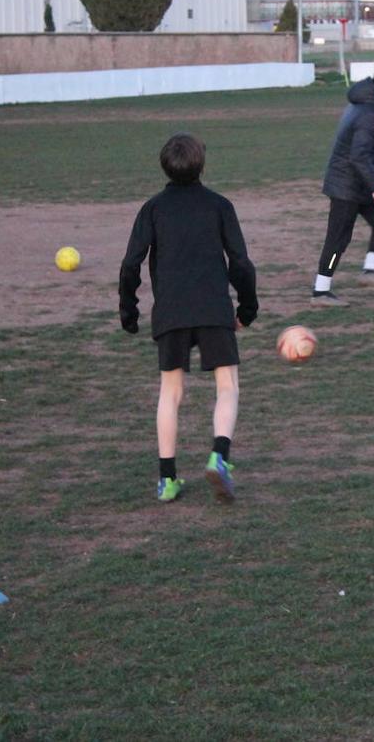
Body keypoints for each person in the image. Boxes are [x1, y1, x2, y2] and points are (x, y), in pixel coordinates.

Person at [119, 133, 259, 504]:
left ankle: (167, 479)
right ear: (202, 165)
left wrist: (128, 311)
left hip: (171, 310)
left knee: (171, 392)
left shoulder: (153, 209)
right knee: (227, 385)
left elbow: (131, 263)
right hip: (213, 307)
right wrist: (247, 309)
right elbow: (241, 263)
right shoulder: (219, 206)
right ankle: (219, 456)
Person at [311, 61, 374, 306]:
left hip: (356, 185)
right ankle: (321, 292)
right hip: (346, 188)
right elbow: (358, 157)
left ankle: (369, 272)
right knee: (337, 242)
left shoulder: (362, 106)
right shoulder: (369, 115)